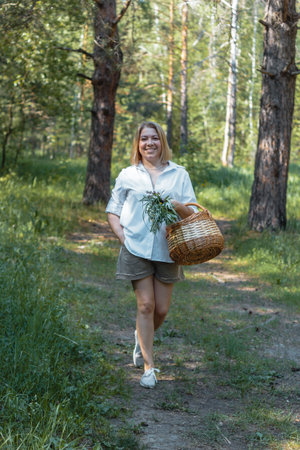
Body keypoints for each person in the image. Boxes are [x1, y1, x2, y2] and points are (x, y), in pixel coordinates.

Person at [106, 121, 197, 389]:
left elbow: (192, 213)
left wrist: (178, 206)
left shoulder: (179, 174)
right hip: (136, 247)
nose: (149, 143)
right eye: (144, 138)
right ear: (138, 143)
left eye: (154, 138)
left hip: (169, 249)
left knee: (161, 309)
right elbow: (113, 210)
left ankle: (140, 336)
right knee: (145, 305)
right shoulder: (128, 174)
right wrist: (123, 237)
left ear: (162, 142)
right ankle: (148, 367)